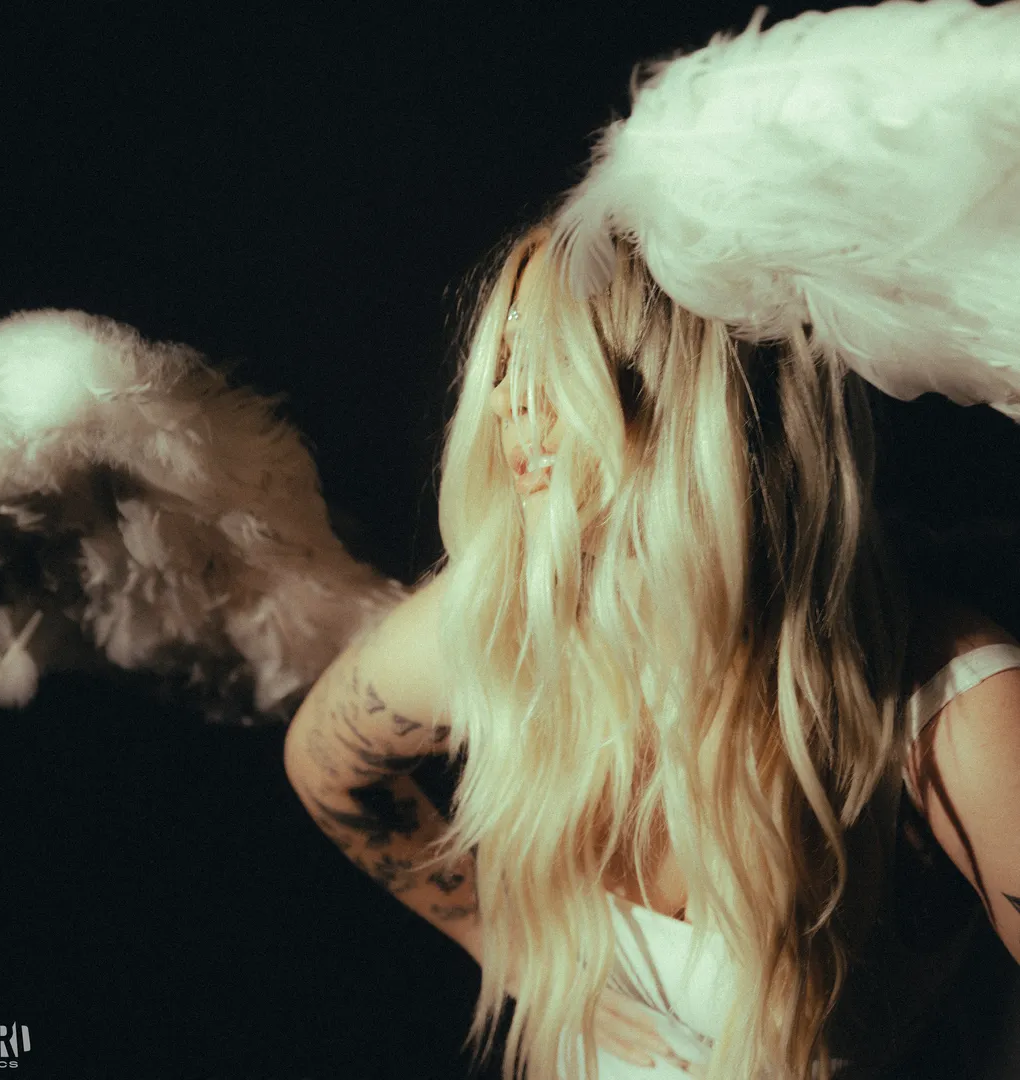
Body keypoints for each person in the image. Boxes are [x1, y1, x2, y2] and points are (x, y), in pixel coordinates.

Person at [283, 222, 1020, 1080]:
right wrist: (507, 951)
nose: (507, 400)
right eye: (507, 360)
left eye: (559, 357)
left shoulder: (952, 709)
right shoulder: (498, 621)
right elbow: (324, 768)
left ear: (700, 401)